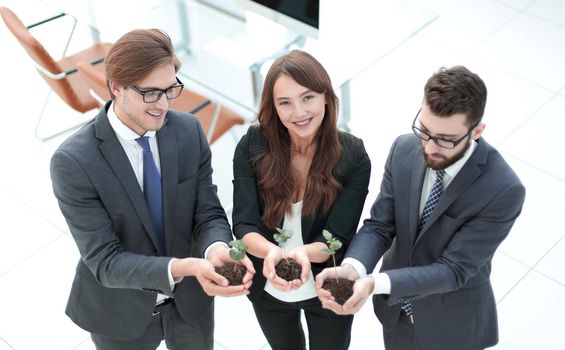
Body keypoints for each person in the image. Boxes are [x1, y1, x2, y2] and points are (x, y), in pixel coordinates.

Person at [50, 28, 254, 350]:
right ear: (115, 87)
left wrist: (216, 248)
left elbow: (207, 212)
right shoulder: (74, 161)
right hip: (120, 311)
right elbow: (105, 261)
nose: (163, 104)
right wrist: (185, 267)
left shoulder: (188, 131)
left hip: (190, 304)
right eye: (150, 93)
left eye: (170, 89)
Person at [316, 65, 526, 350]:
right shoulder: (404, 148)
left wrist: (375, 282)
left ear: (476, 131)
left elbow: (453, 270)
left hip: (452, 322)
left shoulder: (503, 190)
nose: (429, 147)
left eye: (445, 140)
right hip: (396, 313)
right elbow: (380, 224)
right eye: (425, 131)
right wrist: (353, 268)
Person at [232, 49, 371, 350]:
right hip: (268, 288)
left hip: (327, 285)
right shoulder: (252, 145)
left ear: (325, 97)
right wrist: (272, 254)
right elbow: (243, 223)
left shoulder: (353, 156)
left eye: (307, 98)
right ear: (274, 107)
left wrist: (302, 255)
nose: (298, 113)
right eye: (285, 103)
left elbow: (337, 237)